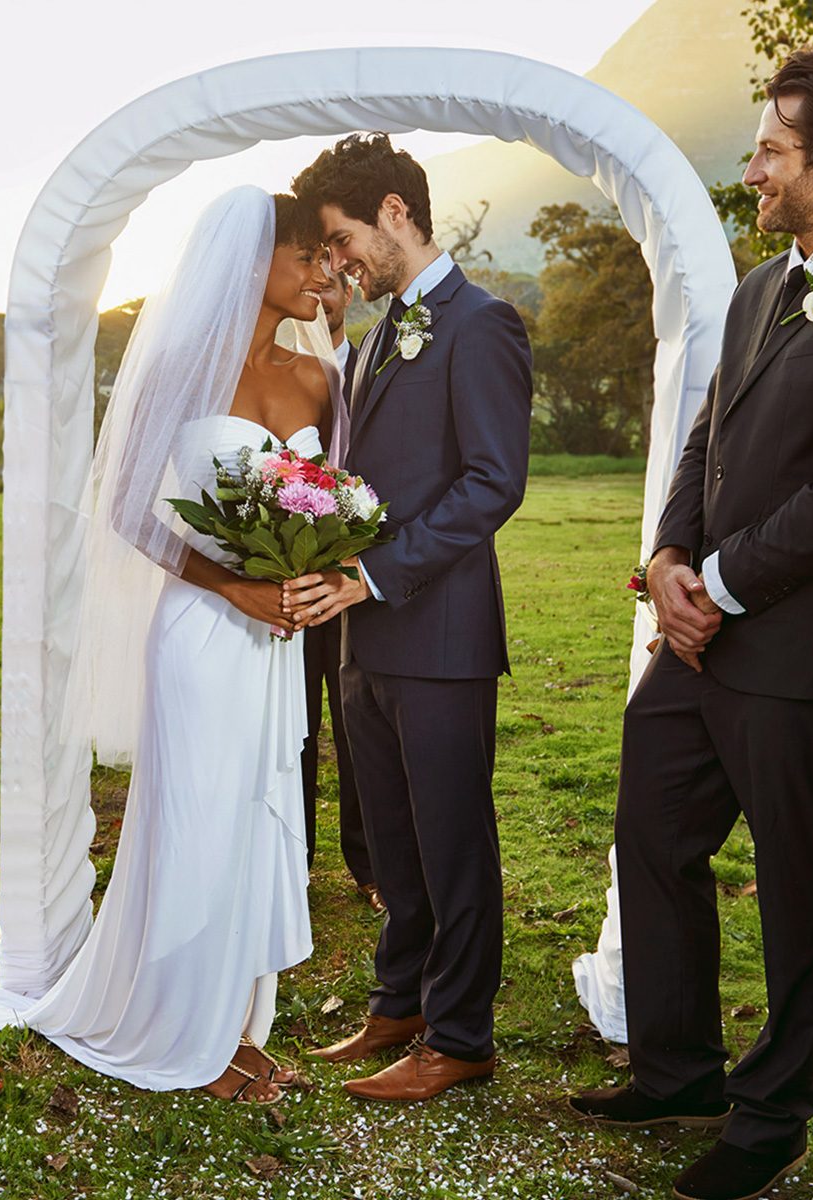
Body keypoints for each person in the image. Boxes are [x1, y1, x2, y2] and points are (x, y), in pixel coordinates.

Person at [565, 48, 813, 1200]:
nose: (752, 172)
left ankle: (775, 1113)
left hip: (801, 652)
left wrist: (720, 586)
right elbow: (708, 442)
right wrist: (667, 559)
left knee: (798, 887)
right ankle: (677, 1068)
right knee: (652, 836)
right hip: (697, 637)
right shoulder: (756, 288)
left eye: (771, 152)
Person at [0, 187, 333, 1107]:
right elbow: (125, 506)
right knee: (197, 821)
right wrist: (234, 586)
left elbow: (335, 495)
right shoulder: (177, 370)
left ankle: (236, 1025)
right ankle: (182, 1030)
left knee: (255, 818)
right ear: (254, 260)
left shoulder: (320, 376)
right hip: (202, 629)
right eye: (307, 255)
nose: (322, 272)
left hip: (277, 640)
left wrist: (308, 574)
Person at [288, 133, 533, 1103]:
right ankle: (399, 1003)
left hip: (439, 635)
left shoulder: (483, 323)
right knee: (392, 838)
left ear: (395, 211)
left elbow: (492, 483)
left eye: (344, 240)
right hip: (365, 637)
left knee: (452, 843)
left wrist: (376, 574)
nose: (340, 263)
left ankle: (461, 1035)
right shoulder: (380, 331)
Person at [301, 266, 382, 914]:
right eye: (309, 285)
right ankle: (291, 862)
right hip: (290, 578)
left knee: (361, 729)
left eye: (329, 285)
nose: (318, 297)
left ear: (348, 293)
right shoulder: (278, 374)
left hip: (361, 581)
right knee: (292, 727)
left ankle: (371, 865)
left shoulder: (374, 368)